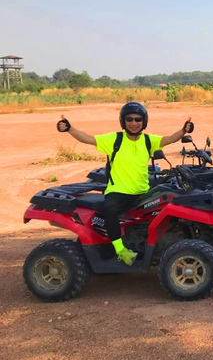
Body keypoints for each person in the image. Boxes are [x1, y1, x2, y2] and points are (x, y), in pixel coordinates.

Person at [57, 102, 193, 265]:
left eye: (138, 119)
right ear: (123, 121)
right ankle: (120, 250)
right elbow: (88, 139)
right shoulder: (114, 139)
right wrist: (70, 129)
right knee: (110, 211)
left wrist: (183, 130)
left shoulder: (148, 140)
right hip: (119, 192)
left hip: (143, 191)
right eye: (129, 119)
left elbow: (170, 139)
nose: (134, 123)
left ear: (144, 122)